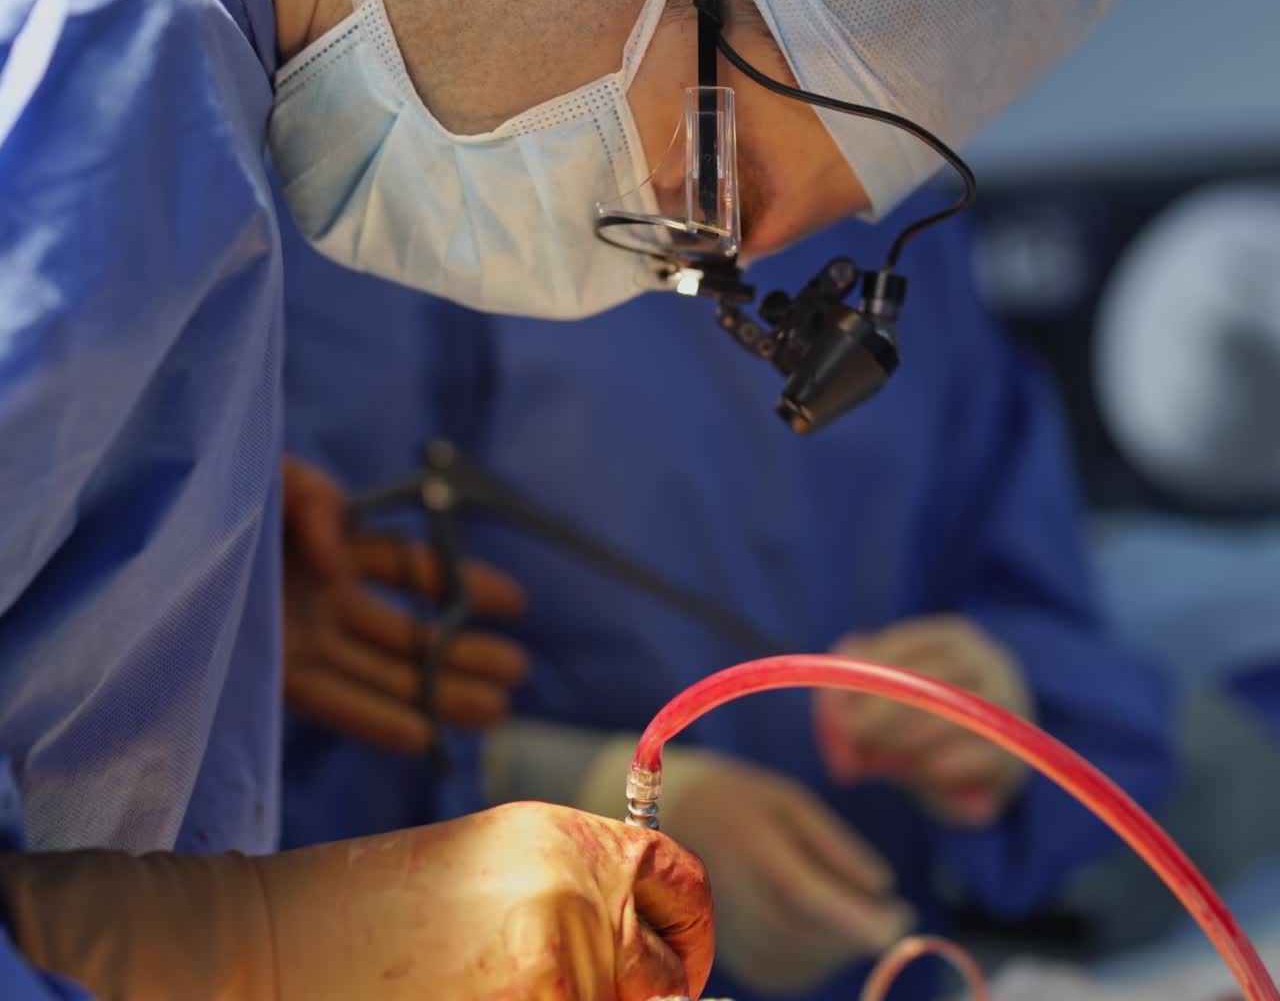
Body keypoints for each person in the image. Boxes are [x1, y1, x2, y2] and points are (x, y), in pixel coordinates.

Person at [0, 0, 1173, 992]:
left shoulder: (148, 16)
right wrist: (255, 944)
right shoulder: (92, 13)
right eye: (700, 196)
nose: (641, 274)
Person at [277, 192, 1176, 1000]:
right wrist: (583, 826)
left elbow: (1050, 616)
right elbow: (268, 750)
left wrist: (997, 706)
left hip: (871, 956)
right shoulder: (410, 220)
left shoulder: (898, 218)